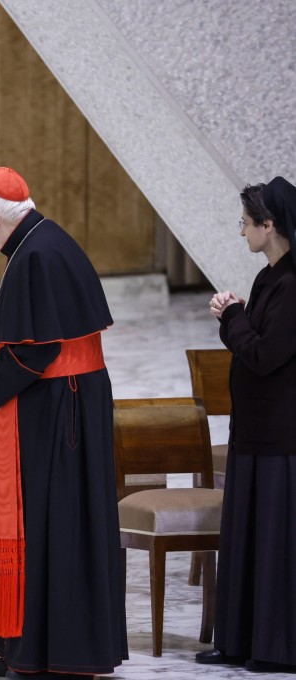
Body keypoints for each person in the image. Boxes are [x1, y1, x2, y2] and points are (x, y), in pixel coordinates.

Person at [0, 168, 126, 679]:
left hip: (60, 412)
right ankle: (29, 651)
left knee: (55, 527)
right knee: (56, 526)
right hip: (68, 403)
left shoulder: (35, 256)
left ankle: (52, 655)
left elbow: (40, 351)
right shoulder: (45, 241)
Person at [196, 177, 296, 673]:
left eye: (245, 224)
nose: (242, 233)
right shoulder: (268, 277)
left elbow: (262, 354)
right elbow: (252, 338)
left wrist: (231, 315)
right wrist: (233, 314)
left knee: (273, 545)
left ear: (269, 225)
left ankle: (273, 648)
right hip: (254, 433)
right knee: (246, 538)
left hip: (281, 438)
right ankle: (237, 642)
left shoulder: (293, 283)